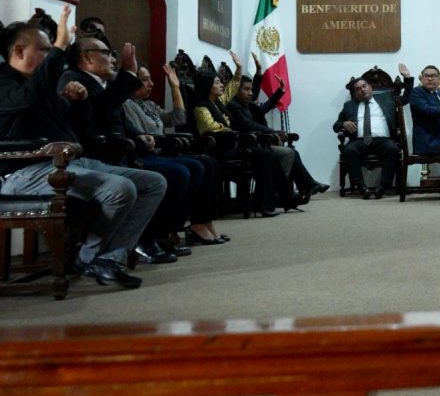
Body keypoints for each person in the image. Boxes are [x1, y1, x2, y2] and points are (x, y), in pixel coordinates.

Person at [0, 7, 165, 289]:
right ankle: (90, 258)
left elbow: (73, 128)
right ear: (18, 51)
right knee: (119, 188)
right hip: (23, 172)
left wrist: (77, 103)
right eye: (44, 50)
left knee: (153, 183)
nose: (51, 56)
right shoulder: (6, 82)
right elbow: (24, 100)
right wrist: (61, 47)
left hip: (66, 163)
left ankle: (107, 258)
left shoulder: (41, 85)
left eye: (51, 50)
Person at [60, 34, 184, 264]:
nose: (112, 59)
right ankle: (117, 250)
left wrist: (139, 137)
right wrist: (128, 73)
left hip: (117, 152)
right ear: (87, 57)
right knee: (169, 175)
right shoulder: (73, 80)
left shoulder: (104, 84)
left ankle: (138, 244)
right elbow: (97, 114)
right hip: (93, 156)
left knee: (167, 177)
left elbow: (119, 121)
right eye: (106, 53)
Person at [123, 62, 227, 245]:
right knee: (188, 169)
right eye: (145, 80)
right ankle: (170, 230)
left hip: (159, 153)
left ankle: (202, 221)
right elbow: (138, 135)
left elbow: (178, 119)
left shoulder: (148, 105)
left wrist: (175, 88)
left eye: (150, 79)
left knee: (208, 163)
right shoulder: (126, 105)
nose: (151, 84)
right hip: (142, 155)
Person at [193, 51, 296, 216]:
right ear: (207, 86)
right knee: (265, 154)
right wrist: (228, 127)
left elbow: (233, 86)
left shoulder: (219, 102)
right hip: (219, 149)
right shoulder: (201, 107)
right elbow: (209, 127)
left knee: (268, 154)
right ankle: (271, 203)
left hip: (232, 145)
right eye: (217, 83)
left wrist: (239, 68)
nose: (222, 85)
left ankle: (278, 200)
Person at [227, 74, 329, 199]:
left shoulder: (247, 104)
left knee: (292, 152)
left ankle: (303, 187)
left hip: (260, 144)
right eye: (246, 89)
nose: (250, 93)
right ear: (236, 89)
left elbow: (266, 107)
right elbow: (248, 124)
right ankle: (281, 191)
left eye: (251, 89)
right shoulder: (233, 106)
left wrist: (280, 91)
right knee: (288, 153)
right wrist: (272, 132)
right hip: (248, 147)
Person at [334, 77, 402, 200]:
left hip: (383, 140)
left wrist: (407, 78)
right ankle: (361, 187)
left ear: (370, 87)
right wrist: (344, 123)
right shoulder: (349, 105)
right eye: (358, 89)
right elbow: (336, 126)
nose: (362, 90)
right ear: (355, 93)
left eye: (364, 86)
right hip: (360, 140)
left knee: (392, 149)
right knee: (349, 151)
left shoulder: (386, 99)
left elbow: (406, 99)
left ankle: (383, 187)